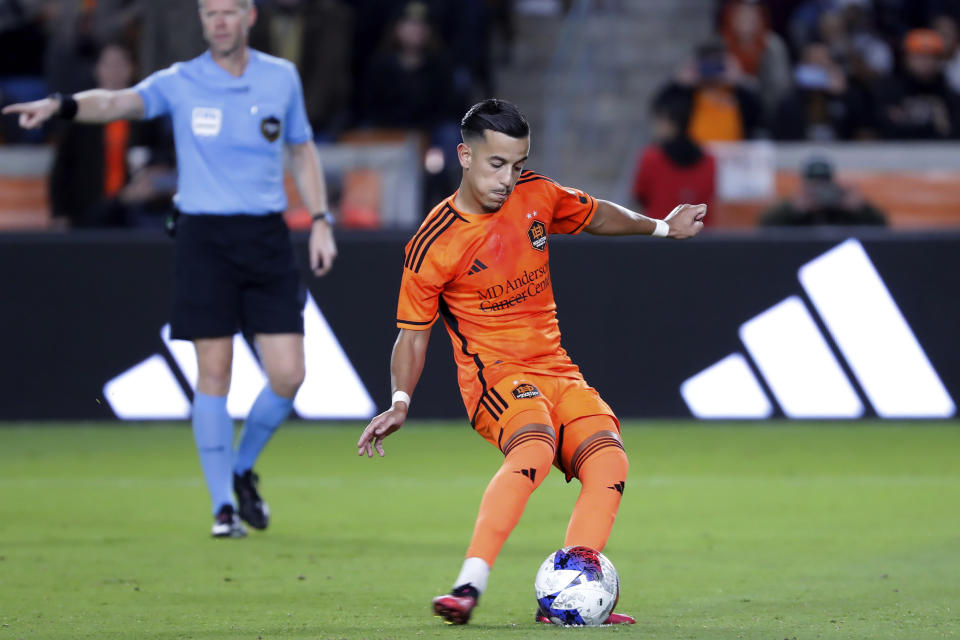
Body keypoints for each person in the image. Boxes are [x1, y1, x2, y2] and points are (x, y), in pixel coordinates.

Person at [356, 99, 706, 625]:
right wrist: (399, 401)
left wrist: (661, 227)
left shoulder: (536, 195)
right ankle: (468, 586)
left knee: (609, 459)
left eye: (517, 164)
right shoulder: (434, 242)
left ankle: (570, 590)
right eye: (497, 164)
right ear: (465, 157)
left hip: (556, 368)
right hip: (494, 378)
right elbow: (411, 334)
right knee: (536, 447)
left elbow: (595, 215)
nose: (508, 178)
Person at [3, 0, 337, 538]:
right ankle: (222, 506)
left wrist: (321, 219)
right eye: (210, 14)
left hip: (267, 236)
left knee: (289, 374)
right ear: (203, 22)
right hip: (204, 236)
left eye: (229, 12)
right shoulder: (181, 81)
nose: (220, 22)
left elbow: (302, 149)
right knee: (214, 372)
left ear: (249, 17)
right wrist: (62, 105)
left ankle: (241, 466)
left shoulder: (282, 78)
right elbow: (115, 101)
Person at [49, 42, 177, 228]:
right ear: (97, 70)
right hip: (88, 212)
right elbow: (62, 168)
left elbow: (164, 156)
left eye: (120, 64)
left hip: (136, 213)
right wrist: (59, 213)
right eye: (108, 65)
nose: (114, 72)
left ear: (132, 69)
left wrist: (151, 178)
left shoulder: (148, 115)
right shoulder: (79, 116)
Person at [632, 89, 716, 222]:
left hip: (660, 234)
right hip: (700, 237)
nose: (656, 126)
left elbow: (640, 196)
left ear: (671, 123)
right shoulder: (710, 160)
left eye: (660, 120)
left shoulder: (651, 158)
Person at [759, 156, 886, 226]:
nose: (819, 187)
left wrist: (861, 209)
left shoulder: (844, 204)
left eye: (824, 181)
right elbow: (765, 227)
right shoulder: (795, 205)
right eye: (813, 183)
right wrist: (792, 210)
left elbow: (882, 226)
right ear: (804, 184)